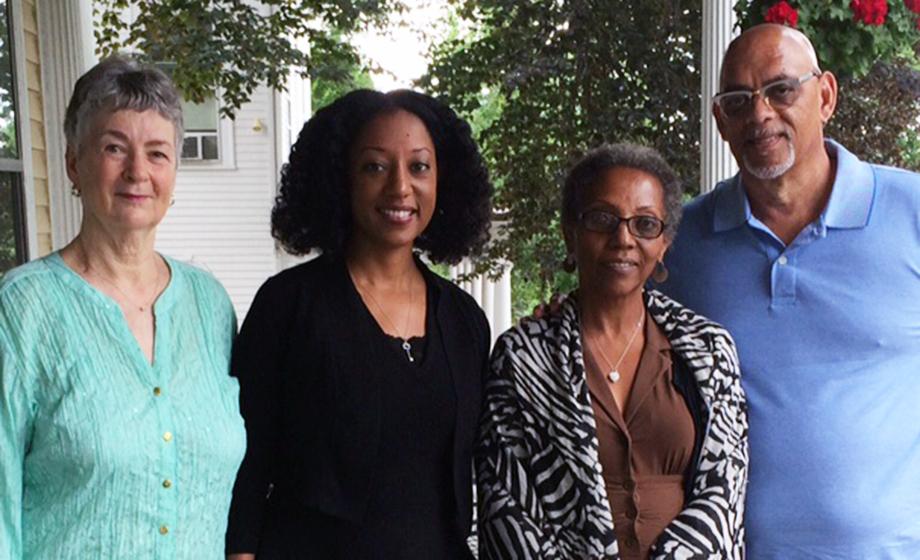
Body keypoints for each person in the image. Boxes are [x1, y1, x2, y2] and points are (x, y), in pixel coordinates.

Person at [659, 24, 920, 558]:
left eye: (781, 90)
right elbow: (614, 336)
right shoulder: (681, 244)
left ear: (825, 96)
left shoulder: (911, 213)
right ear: (720, 122)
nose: (759, 114)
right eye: (738, 100)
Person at [225, 89, 493, 559]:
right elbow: (247, 464)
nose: (400, 188)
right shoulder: (289, 306)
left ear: (443, 181)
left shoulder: (465, 321)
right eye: (375, 166)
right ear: (341, 179)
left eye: (419, 166)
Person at [0, 57, 245, 559]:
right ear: (74, 163)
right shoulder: (22, 309)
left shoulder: (210, 305)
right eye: (115, 148)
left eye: (157, 153)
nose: (138, 171)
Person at [476, 143, 748, 559]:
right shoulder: (522, 358)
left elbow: (724, 489)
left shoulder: (709, 350)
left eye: (644, 224)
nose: (623, 238)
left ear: (665, 243)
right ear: (571, 231)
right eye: (602, 219)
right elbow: (506, 504)